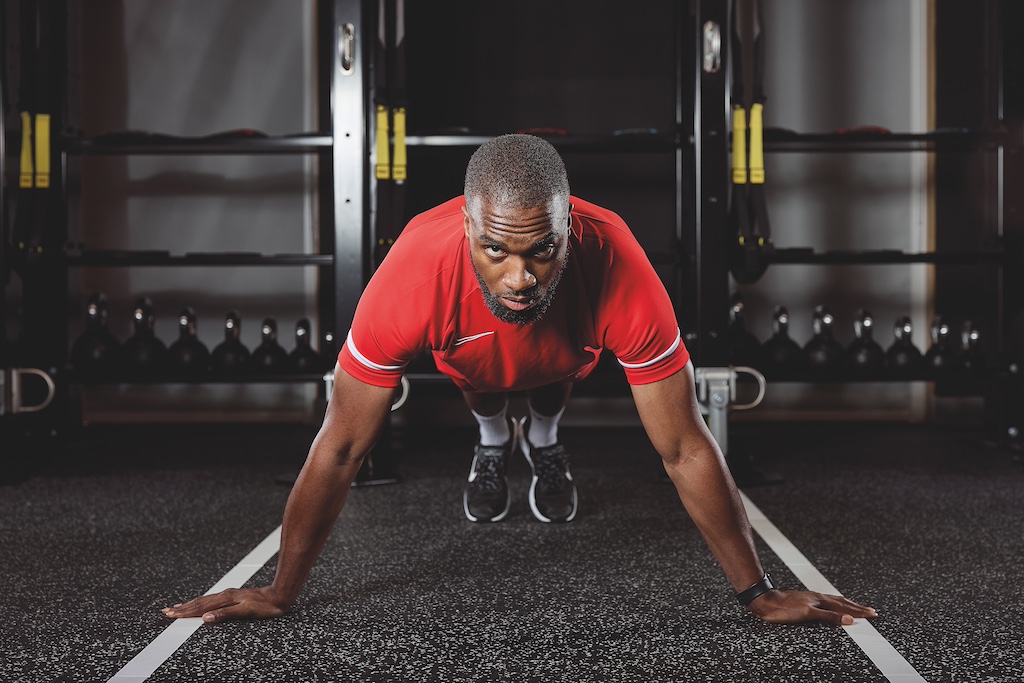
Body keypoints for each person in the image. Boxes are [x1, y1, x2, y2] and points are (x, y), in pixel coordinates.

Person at [164, 134, 876, 626]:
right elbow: (341, 447)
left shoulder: (617, 258)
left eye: (543, 249)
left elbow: (685, 446)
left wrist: (758, 592)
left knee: (547, 378)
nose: (520, 275)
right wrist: (282, 592)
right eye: (496, 248)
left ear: (570, 227)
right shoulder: (413, 269)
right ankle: (493, 435)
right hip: (472, 363)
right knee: (487, 387)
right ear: (467, 225)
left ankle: (543, 435)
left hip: (563, 357)